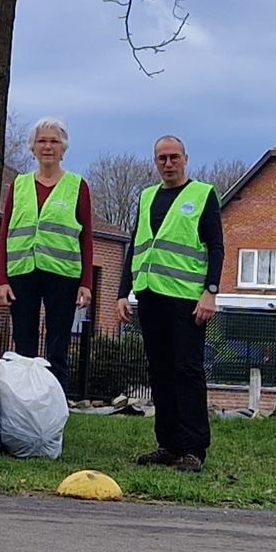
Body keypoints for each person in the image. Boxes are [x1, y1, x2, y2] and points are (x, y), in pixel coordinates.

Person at [116, 135, 223, 473]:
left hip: (187, 300)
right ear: (155, 161)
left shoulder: (202, 194)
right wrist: (123, 292)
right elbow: (135, 246)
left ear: (185, 159)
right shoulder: (147, 196)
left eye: (173, 157)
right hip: (150, 296)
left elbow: (216, 246)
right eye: (161, 158)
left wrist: (211, 291)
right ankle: (168, 444)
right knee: (159, 371)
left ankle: (193, 448)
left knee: (187, 370)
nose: (167, 163)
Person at [0, 117, 93, 391]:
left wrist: (86, 282)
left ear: (63, 149)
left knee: (58, 347)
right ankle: (23, 404)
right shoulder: (20, 184)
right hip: (22, 273)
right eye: (42, 141)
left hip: (62, 275)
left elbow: (86, 237)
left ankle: (54, 406)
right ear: (33, 148)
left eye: (54, 141)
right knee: (23, 344)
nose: (47, 146)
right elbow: (4, 234)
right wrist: (1, 279)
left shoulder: (77, 186)